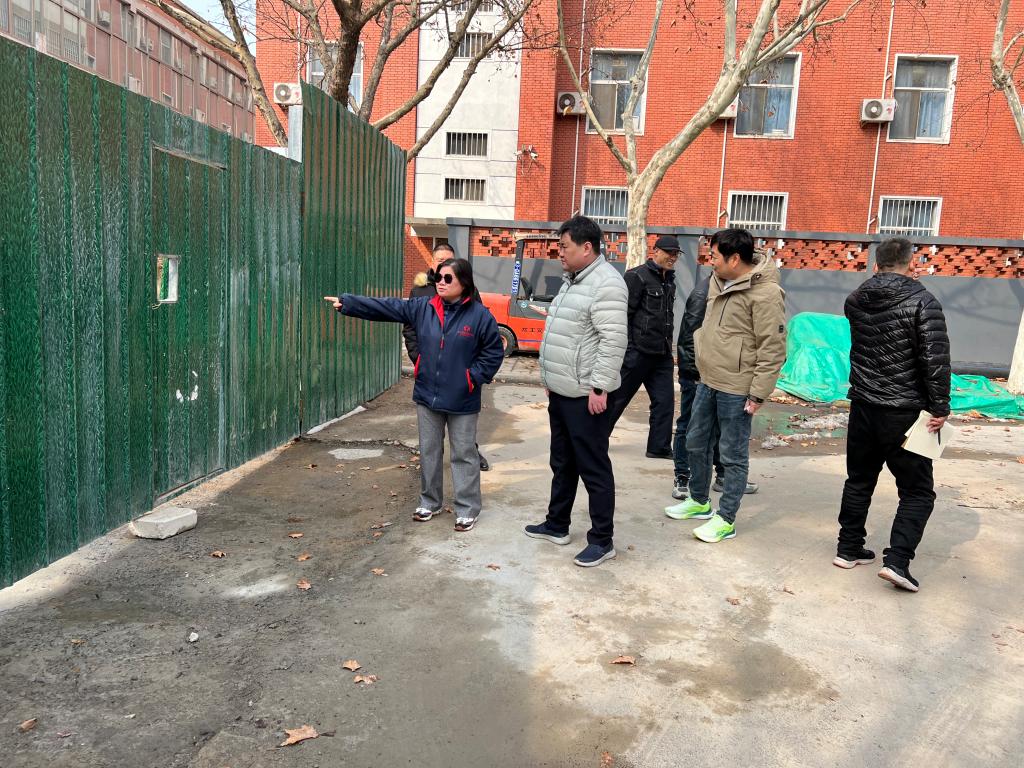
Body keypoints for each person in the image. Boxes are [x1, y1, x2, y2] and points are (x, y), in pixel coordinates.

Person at [324, 258, 504, 532]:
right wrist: (349, 303)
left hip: (462, 399)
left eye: (448, 278)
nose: (440, 283)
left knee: (464, 454)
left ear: (464, 282)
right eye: (438, 277)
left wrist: (472, 378)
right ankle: (429, 502)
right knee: (429, 451)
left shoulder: (480, 316)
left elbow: (493, 352)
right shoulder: (423, 307)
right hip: (427, 395)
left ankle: (467, 508)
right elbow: (388, 307)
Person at [835, 237, 950, 593]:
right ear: (912, 264)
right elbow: (934, 359)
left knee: (859, 479)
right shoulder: (923, 301)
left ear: (876, 264)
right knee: (917, 491)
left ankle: (848, 548)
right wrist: (940, 407)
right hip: (904, 411)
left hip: (864, 404)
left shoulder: (855, 299)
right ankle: (897, 562)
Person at [664, 228, 786, 543]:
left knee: (732, 455)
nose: (711, 261)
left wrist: (758, 393)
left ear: (734, 259)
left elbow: (773, 349)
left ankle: (726, 519)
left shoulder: (766, 294)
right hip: (708, 380)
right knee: (695, 441)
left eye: (715, 256)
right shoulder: (718, 282)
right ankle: (699, 501)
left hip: (738, 388)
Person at [524, 215, 628, 567]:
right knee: (562, 462)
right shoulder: (574, 280)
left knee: (593, 468)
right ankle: (557, 524)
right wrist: (551, 380)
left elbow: (613, 341)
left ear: (586, 247)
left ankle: (602, 540)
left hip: (586, 396)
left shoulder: (606, 284)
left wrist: (600, 387)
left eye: (564, 247)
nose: (559, 253)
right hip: (563, 391)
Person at [670, 261, 759, 500]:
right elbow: (691, 336)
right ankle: (683, 478)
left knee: (716, 430)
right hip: (697, 374)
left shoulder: (727, 290)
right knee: (689, 428)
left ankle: (722, 476)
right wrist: (696, 372)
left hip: (716, 375)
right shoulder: (705, 293)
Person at [403, 242, 492, 472]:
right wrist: (419, 359)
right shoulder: (420, 291)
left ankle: (471, 452)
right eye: (440, 260)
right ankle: (431, 475)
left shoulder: (468, 290)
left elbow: (482, 332)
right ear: (432, 262)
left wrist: (472, 375)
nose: (444, 265)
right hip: (430, 373)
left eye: (449, 260)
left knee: (462, 427)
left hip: (459, 373)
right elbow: (409, 329)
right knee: (430, 435)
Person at [606, 235, 679, 459]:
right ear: (655, 251)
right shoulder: (636, 276)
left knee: (665, 402)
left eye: (676, 254)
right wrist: (628, 348)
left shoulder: (670, 280)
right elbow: (624, 315)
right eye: (668, 252)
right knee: (616, 399)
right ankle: (594, 439)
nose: (673, 257)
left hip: (662, 353)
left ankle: (659, 447)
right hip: (638, 351)